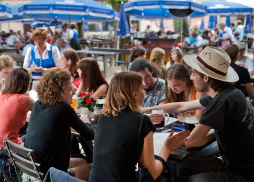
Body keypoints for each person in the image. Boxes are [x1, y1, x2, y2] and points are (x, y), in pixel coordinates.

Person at [151, 46, 254, 182]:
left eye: (194, 73)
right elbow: (183, 106)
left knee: (181, 176)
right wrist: (145, 110)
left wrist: (201, 136)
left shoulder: (221, 101)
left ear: (205, 77)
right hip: (236, 165)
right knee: (178, 168)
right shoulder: (230, 93)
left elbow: (191, 143)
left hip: (242, 175)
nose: (191, 77)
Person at [89, 72, 189, 182]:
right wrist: (167, 147)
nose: (144, 92)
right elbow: (152, 173)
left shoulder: (104, 116)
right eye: (142, 88)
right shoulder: (141, 121)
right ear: (135, 94)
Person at [25, 71, 94, 180]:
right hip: (50, 175)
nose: (73, 93)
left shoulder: (38, 104)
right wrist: (86, 122)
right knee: (93, 169)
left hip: (33, 170)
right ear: (59, 92)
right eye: (70, 90)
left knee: (83, 161)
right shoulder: (62, 108)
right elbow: (90, 134)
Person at [0, 68, 35, 149]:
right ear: (27, 83)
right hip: (9, 149)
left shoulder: (2, 96)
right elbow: (43, 111)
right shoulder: (23, 99)